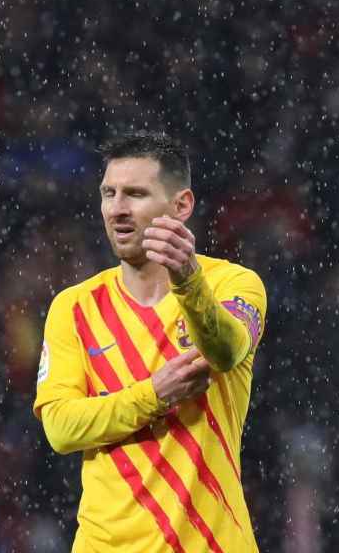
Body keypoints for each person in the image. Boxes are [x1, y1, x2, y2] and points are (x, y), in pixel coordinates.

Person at [34, 131, 269, 553]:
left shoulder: (232, 284)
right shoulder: (73, 308)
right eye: (109, 193)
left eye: (136, 194)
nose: (117, 210)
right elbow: (60, 428)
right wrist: (153, 395)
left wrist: (189, 282)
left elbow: (227, 351)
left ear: (181, 205)